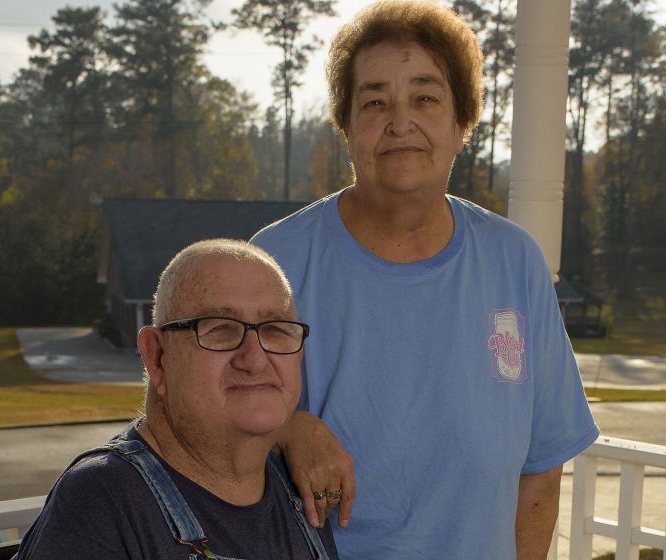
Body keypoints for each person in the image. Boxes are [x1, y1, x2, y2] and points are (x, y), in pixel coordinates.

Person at [252, 1, 600, 558]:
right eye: (374, 101)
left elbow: (541, 466)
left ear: (463, 123)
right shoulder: (273, 261)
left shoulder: (515, 262)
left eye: (425, 97)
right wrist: (289, 429)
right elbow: (209, 430)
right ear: (347, 125)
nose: (399, 122)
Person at [14, 239, 337, 560]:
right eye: (221, 329)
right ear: (157, 356)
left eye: (276, 330)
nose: (254, 359)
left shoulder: (300, 490)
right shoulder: (104, 501)